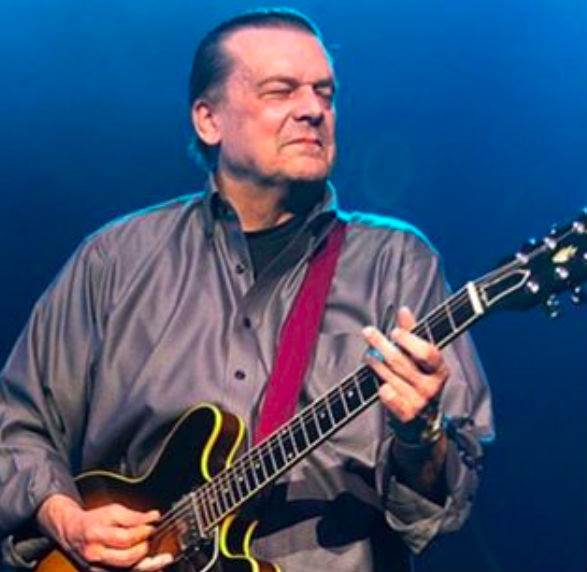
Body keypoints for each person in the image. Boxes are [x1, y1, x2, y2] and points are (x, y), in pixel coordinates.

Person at [0, 8, 494, 572]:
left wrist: (421, 435)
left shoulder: (397, 264)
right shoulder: (113, 260)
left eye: (325, 93)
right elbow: (14, 427)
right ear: (208, 120)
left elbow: (444, 505)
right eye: (281, 91)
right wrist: (65, 518)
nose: (313, 109)